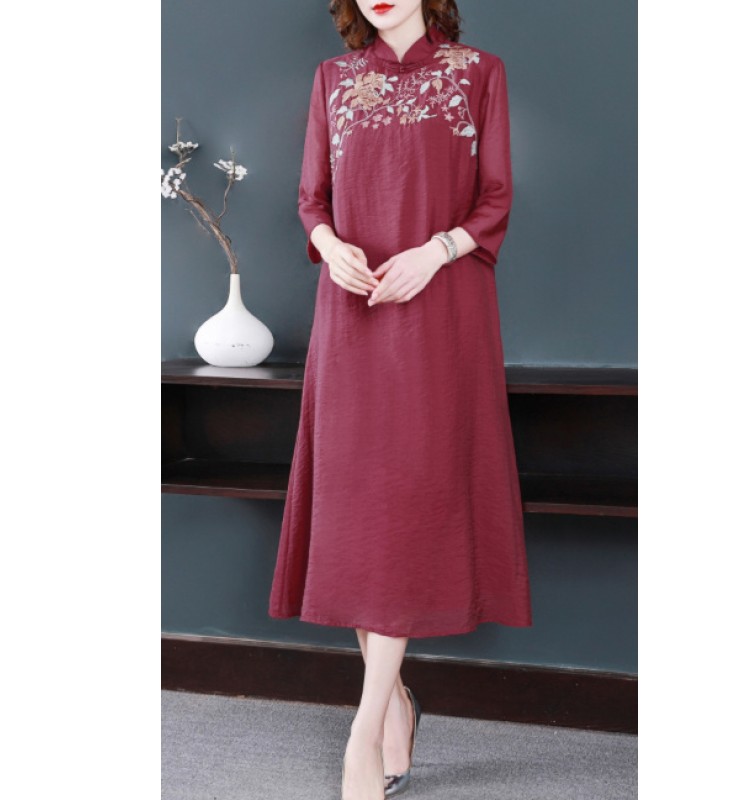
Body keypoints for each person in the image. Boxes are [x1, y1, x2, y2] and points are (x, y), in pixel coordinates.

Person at [268, 1, 532, 797]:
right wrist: (329, 247)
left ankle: (363, 730)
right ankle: (394, 707)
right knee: (358, 513)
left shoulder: (479, 73)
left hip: (441, 313)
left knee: (406, 509)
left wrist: (436, 251)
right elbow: (311, 198)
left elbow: (495, 198)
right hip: (351, 314)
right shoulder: (334, 78)